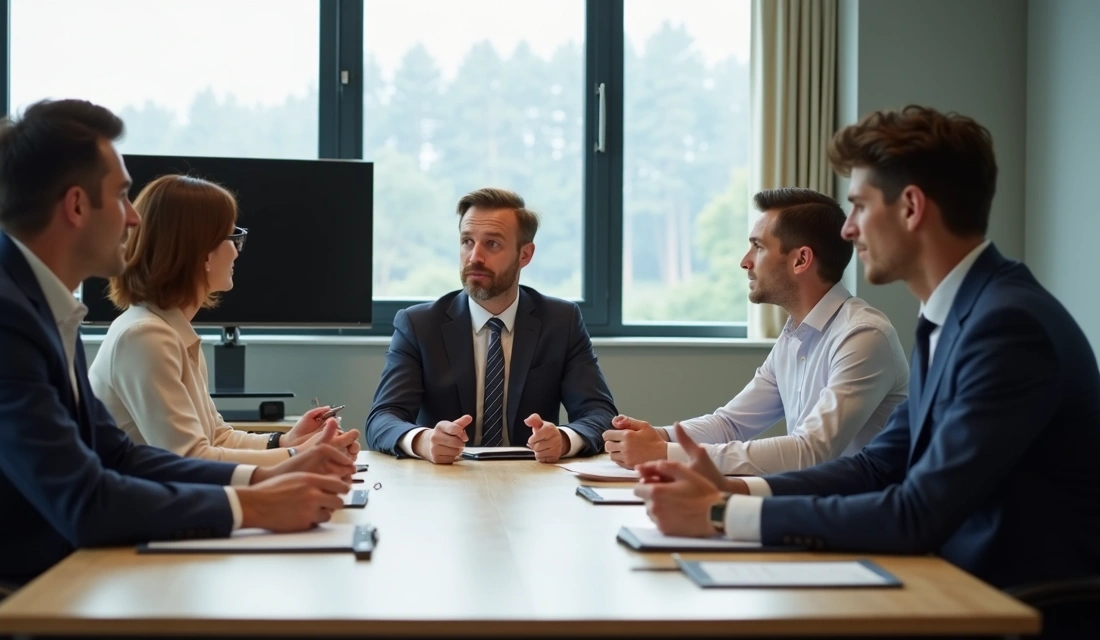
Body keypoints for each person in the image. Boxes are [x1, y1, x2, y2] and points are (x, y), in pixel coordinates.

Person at [0, 99, 355, 639]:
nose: (134, 217)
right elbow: (87, 500)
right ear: (77, 206)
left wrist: (269, 474)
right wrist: (255, 505)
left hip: (60, 574)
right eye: (122, 195)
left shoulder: (30, 304)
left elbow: (119, 455)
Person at [635, 106, 1100, 608]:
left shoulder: (1007, 327)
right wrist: (731, 489)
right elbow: (877, 467)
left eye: (858, 206)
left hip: (1009, 603)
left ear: (911, 207)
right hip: (950, 581)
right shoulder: (955, 314)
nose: (849, 230)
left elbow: (917, 512)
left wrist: (722, 514)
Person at [604, 188, 909, 475]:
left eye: (758, 246)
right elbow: (730, 425)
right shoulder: (795, 334)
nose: (745, 261)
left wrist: (665, 453)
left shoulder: (863, 336)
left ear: (801, 260)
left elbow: (812, 451)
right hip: (815, 503)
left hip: (861, 518)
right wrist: (658, 436)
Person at [88, 174, 360, 464]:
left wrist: (283, 441)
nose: (237, 251)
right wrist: (298, 455)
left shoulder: (168, 330)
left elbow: (216, 437)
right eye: (232, 237)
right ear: (201, 253)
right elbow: (190, 459)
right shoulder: (144, 337)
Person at [365, 187, 616, 464]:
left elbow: (600, 413)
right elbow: (382, 418)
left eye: (492, 244)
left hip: (533, 482)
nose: (474, 257)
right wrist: (423, 441)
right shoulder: (419, 324)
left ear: (525, 255)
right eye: (467, 242)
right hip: (444, 481)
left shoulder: (561, 321)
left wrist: (565, 439)